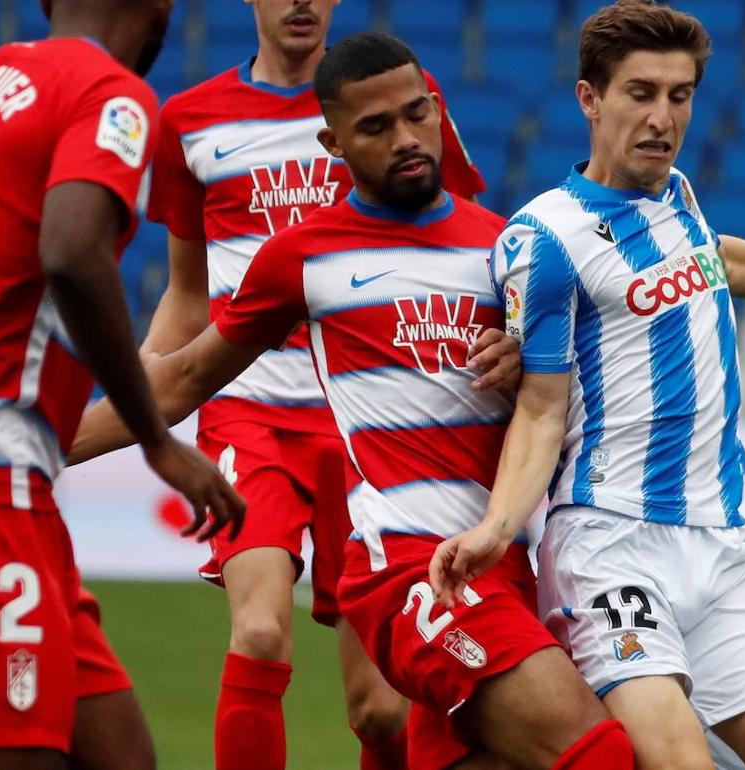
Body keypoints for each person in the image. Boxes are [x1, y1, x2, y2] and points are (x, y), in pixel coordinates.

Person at [71, 30, 635, 770]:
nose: (405, 139)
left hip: (503, 563)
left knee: (427, 736)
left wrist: (525, 357)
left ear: (437, 109)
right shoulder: (303, 256)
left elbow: (574, 388)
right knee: (596, 753)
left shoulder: (509, 250)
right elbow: (183, 379)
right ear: (332, 144)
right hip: (408, 569)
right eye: (375, 127)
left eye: (416, 114)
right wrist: (31, 445)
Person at [429, 3, 745, 769]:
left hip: (724, 543)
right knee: (676, 760)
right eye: (641, 93)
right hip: (613, 543)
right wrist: (497, 528)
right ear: (590, 99)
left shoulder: (676, 195)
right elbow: (541, 410)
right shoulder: (545, 237)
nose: (663, 118)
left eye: (680, 96)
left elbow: (713, 259)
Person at [140, 1, 485, 767]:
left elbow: (455, 238)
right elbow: (188, 294)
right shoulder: (188, 122)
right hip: (248, 410)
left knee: (382, 712)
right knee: (261, 630)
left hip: (367, 422)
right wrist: (136, 386)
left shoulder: (397, 100)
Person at [0, 1, 245, 769]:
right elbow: (73, 252)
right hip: (5, 478)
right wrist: (155, 439)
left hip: (30, 497)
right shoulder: (109, 94)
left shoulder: (6, 77)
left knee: (120, 754)